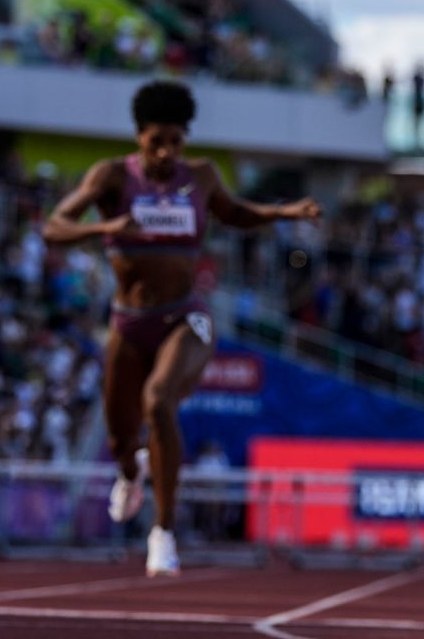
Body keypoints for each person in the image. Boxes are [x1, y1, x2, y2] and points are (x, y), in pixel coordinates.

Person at [44, 81, 321, 575]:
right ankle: (131, 473)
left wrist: (282, 212)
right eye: (158, 141)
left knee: (159, 400)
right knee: (120, 435)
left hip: (186, 315)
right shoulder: (111, 176)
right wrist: (103, 228)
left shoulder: (201, 176)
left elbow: (235, 213)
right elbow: (54, 226)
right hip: (129, 323)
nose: (168, 152)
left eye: (177, 141)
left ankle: (163, 533)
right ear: (139, 136)